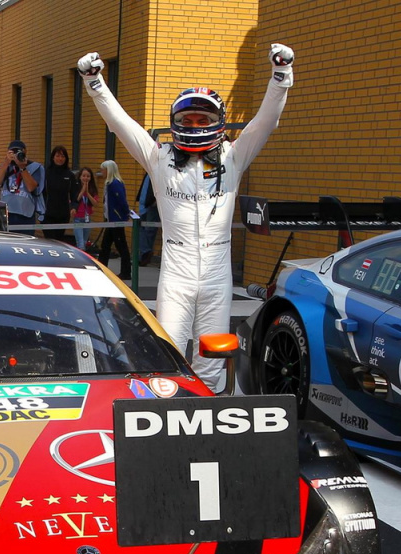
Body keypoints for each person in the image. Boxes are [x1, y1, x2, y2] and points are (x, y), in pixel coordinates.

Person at [78, 43, 294, 391]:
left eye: (203, 120)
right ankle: (167, 415)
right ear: (175, 123)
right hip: (176, 271)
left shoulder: (233, 157)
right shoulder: (158, 157)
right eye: (187, 120)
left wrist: (281, 75)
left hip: (217, 272)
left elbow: (265, 122)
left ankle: (207, 415)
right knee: (169, 354)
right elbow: (120, 123)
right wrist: (95, 82)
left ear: (217, 123)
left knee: (212, 360)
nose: (195, 125)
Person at [0, 140, 43, 229]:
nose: (16, 155)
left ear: (25, 152)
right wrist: (6, 163)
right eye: (13, 152)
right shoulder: (6, 167)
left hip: (25, 214)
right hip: (7, 213)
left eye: (19, 151)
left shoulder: (35, 167)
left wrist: (22, 168)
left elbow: (31, 187)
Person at [97, 160, 131, 281]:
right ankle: (101, 268)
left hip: (116, 220)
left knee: (121, 246)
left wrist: (126, 213)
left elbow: (122, 200)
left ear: (108, 170)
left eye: (103, 169)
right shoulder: (110, 183)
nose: (101, 172)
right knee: (105, 245)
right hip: (111, 220)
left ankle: (126, 272)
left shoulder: (114, 184)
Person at [41, 145, 76, 243]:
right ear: (53, 157)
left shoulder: (70, 175)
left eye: (62, 156)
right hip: (47, 214)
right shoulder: (45, 173)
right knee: (49, 240)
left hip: (63, 215)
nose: (60, 159)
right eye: (57, 156)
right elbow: (40, 192)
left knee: (58, 241)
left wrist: (74, 207)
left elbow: (74, 194)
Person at [72, 167, 98, 252]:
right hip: (78, 219)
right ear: (80, 177)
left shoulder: (92, 188)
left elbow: (95, 203)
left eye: (88, 176)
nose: (85, 178)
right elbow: (76, 200)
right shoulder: (76, 187)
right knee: (81, 245)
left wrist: (87, 193)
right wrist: (82, 191)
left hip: (87, 219)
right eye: (83, 176)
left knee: (84, 242)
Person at [136, 173, 160, 265]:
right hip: (144, 205)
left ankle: (144, 256)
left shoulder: (158, 173)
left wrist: (155, 202)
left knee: (149, 230)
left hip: (151, 205)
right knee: (140, 229)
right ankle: (145, 253)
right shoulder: (148, 173)